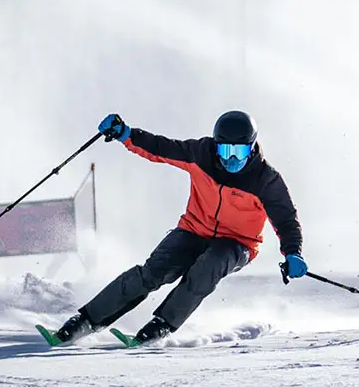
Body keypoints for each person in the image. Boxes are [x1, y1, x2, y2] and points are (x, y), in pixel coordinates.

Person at [49, 110, 307, 345]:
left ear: (251, 149)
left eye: (237, 153)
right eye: (224, 151)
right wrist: (126, 135)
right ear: (215, 145)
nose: (230, 159)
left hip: (238, 243)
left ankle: (162, 324)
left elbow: (286, 220)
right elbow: (160, 148)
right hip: (194, 230)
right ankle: (86, 320)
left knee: (208, 267)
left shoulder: (266, 181)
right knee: (152, 273)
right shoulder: (200, 155)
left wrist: (293, 253)